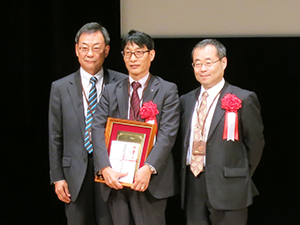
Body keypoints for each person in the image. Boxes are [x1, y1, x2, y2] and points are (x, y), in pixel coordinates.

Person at [91, 30, 180, 225]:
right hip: (117, 179)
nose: (133, 58)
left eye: (139, 52)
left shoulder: (167, 90)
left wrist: (148, 168)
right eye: (128, 53)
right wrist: (105, 167)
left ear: (151, 55)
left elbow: (168, 134)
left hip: (151, 181)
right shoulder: (111, 90)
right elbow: (97, 128)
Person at [48, 22, 126, 225]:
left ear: (107, 50)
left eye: (96, 47)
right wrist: (57, 177)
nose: (90, 53)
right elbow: (55, 135)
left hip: (111, 168)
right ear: (76, 50)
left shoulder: (122, 83)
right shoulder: (60, 87)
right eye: (84, 47)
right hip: (73, 173)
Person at [179, 39, 264, 225]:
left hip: (229, 186)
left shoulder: (243, 98)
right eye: (197, 63)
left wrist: (239, 173)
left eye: (208, 62)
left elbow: (255, 144)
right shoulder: (185, 100)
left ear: (223, 63)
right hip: (193, 184)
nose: (202, 69)